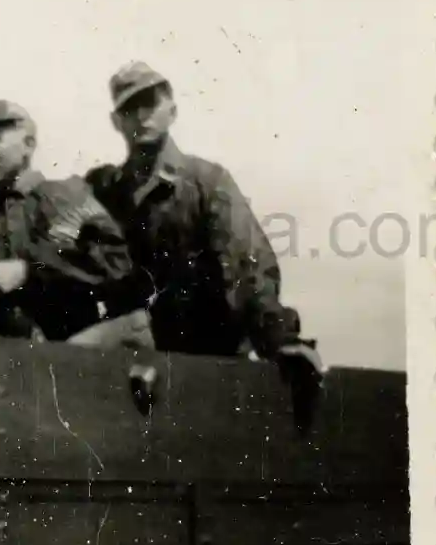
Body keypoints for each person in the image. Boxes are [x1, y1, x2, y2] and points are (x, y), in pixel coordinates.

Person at [86, 62, 325, 419]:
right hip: (130, 359)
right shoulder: (104, 191)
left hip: (202, 353)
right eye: (129, 109)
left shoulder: (205, 182)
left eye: (150, 104)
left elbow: (248, 266)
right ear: (115, 122)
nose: (141, 117)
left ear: (172, 111)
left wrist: (279, 339)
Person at [0, 100, 148, 344]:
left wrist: (31, 273)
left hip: (60, 353)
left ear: (28, 145)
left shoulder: (59, 196)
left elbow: (117, 266)